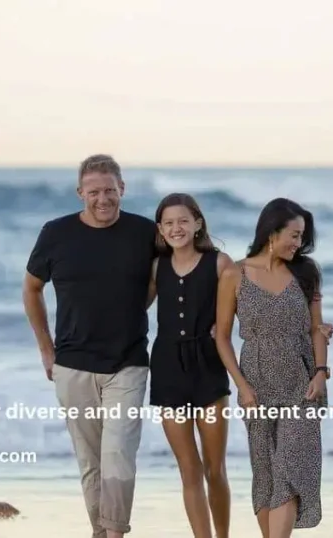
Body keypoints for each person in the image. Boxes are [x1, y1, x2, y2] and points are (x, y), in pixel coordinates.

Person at [22, 154, 157, 538]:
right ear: (80, 192)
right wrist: (46, 349)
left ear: (122, 190)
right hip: (72, 365)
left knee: (118, 455)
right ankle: (102, 532)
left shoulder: (146, 233)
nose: (103, 199)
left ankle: (113, 533)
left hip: (128, 362)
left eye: (110, 191)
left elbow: (161, 279)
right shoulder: (56, 233)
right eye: (94, 191)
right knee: (91, 462)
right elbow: (32, 288)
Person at [214, 197, 332, 538]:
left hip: (302, 382)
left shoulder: (307, 273)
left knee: (289, 470)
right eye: (293, 235)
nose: (298, 243)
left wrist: (321, 373)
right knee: (265, 474)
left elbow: (316, 329)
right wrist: (242, 386)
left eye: (301, 237)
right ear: (271, 232)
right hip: (257, 382)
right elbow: (222, 337)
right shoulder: (234, 274)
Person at [148, 192, 234, 538]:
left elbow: (248, 304)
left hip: (209, 369)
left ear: (198, 223)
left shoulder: (220, 263)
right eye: (168, 223)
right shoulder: (156, 266)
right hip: (168, 369)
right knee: (188, 468)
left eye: (183, 220)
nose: (176, 228)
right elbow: (130, 308)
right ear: (160, 229)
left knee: (214, 468)